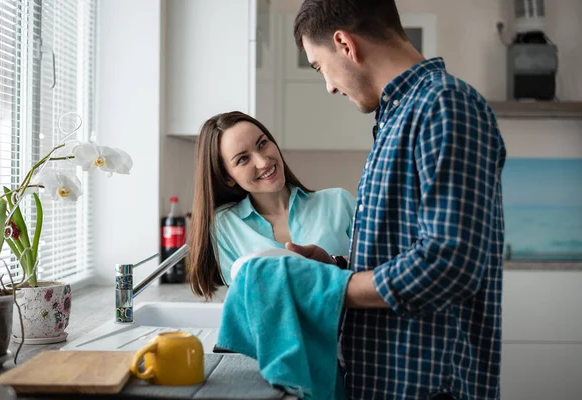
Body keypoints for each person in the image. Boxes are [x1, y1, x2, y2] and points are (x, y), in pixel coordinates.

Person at [286, 1, 507, 399]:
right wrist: (336, 271)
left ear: (344, 44)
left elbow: (449, 264)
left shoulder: (445, 105)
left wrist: (332, 288)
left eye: (320, 67)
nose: (330, 86)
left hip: (430, 388)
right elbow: (406, 252)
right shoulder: (398, 116)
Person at [187, 111, 355, 299]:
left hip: (346, 327)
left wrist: (335, 263)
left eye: (262, 143)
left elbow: (381, 272)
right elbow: (242, 300)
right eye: (243, 159)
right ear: (227, 177)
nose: (263, 161)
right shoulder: (224, 225)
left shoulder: (339, 202)